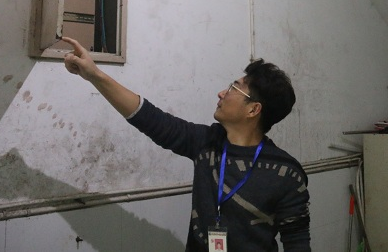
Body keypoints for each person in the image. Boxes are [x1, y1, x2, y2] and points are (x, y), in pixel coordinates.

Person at [61, 36, 310, 252]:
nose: (222, 93)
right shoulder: (206, 143)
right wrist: (94, 75)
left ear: (253, 109)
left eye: (234, 88)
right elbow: (149, 118)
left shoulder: (286, 173)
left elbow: (297, 242)